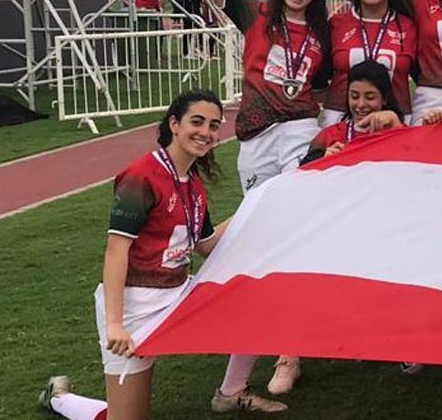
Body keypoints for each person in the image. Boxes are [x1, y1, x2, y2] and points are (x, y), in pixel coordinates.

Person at [147, 0, 334, 409]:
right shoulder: (256, 14)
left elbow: (320, 89)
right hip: (255, 137)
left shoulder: (322, 35)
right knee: (260, 233)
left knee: (288, 236)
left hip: (298, 133)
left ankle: (288, 353)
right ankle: (215, 254)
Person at [39, 90, 287, 419]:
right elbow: (116, 252)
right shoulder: (141, 177)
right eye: (196, 122)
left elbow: (205, 245)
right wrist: (115, 324)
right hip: (134, 306)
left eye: (214, 125)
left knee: (257, 307)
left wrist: (256, 206)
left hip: (178, 293)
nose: (206, 132)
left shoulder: (193, 184)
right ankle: (59, 397)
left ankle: (231, 392)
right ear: (174, 123)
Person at [316, 0, 419, 126]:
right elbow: (319, 78)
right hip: (340, 119)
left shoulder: (408, 25)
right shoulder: (337, 23)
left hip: (395, 119)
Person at [302, 59, 404, 163]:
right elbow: (302, 172)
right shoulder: (330, 135)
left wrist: (396, 125)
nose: (361, 105)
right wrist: (323, 160)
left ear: (384, 99)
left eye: (370, 98)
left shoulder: (396, 130)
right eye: (354, 96)